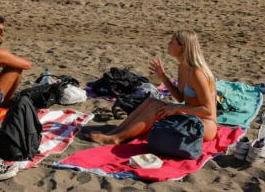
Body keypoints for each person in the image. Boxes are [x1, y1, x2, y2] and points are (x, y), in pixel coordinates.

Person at [87, 29, 217, 144]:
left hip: (205, 125)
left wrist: (176, 108)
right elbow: (179, 97)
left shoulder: (197, 73)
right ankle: (115, 132)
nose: (168, 44)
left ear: (181, 48)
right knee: (150, 101)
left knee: (156, 107)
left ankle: (117, 138)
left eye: (172, 42)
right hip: (191, 117)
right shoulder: (182, 67)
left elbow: (208, 110)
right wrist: (163, 77)